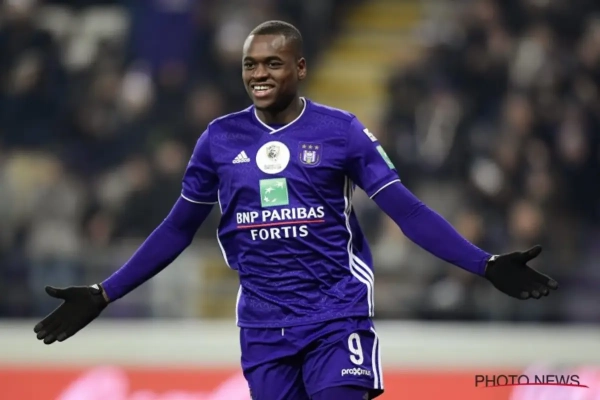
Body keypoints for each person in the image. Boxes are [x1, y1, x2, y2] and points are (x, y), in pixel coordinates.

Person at [33, 21, 558, 400]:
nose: (259, 74)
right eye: (250, 64)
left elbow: (408, 211)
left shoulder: (341, 131)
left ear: (300, 68)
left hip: (336, 316)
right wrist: (105, 292)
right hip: (263, 329)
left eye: (273, 63)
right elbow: (176, 229)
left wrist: (484, 263)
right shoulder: (218, 140)